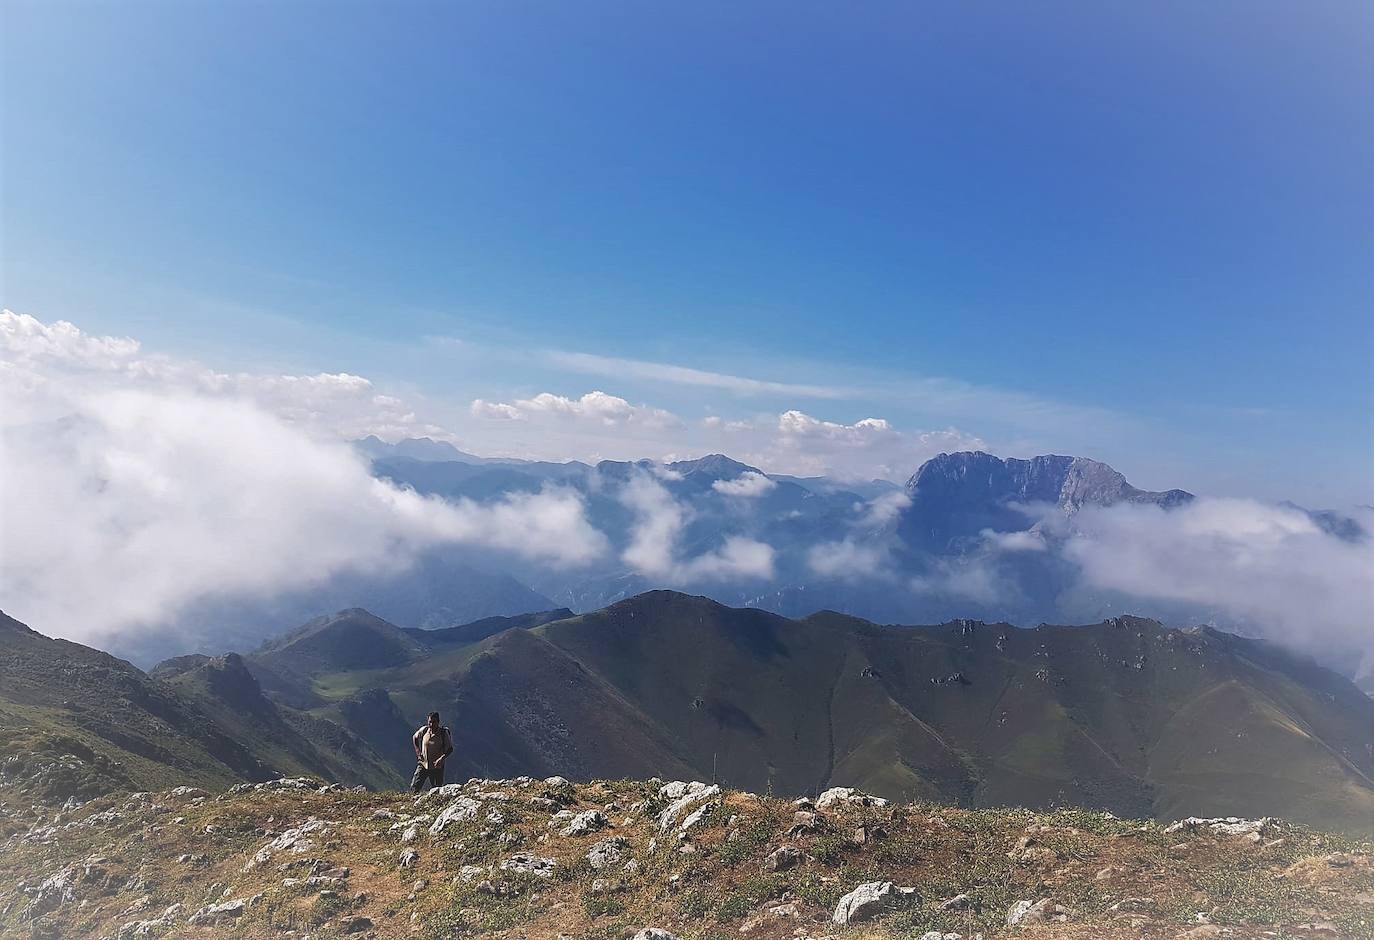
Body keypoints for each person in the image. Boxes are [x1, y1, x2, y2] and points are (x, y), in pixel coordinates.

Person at [410, 711, 454, 792]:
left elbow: (450, 749)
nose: (431, 724)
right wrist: (418, 752)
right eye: (430, 722)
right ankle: (413, 801)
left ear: (438, 722)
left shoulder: (443, 733)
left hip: (437, 767)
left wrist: (441, 758)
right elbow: (415, 737)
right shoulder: (424, 730)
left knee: (437, 790)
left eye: (434, 722)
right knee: (415, 786)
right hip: (423, 764)